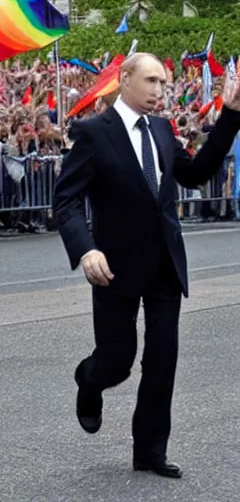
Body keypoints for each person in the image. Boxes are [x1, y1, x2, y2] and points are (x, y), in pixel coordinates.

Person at [53, 53, 240, 479]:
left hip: (164, 266)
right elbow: (65, 201)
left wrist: (230, 116)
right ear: (124, 79)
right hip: (113, 266)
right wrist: (86, 249)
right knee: (118, 360)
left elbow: (194, 173)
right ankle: (90, 379)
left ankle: (150, 450)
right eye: (152, 81)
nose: (160, 91)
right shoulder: (93, 133)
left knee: (162, 360)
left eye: (163, 83)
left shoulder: (161, 128)